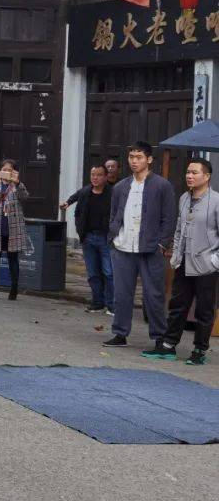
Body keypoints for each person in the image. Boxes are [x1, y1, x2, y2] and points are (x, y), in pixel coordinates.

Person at [104, 141, 176, 352]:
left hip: (150, 248)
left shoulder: (162, 185)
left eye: (139, 157)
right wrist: (113, 237)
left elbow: (169, 218)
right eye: (131, 157)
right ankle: (120, 333)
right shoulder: (120, 186)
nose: (134, 161)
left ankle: (158, 336)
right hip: (123, 247)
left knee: (154, 294)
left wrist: (162, 243)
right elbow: (114, 214)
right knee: (121, 293)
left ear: (149, 159)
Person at [152, 158, 218, 365]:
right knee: (178, 305)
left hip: (206, 265)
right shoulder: (184, 198)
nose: (189, 176)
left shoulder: (216, 201)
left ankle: (199, 350)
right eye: (188, 172)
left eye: (195, 172)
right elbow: (180, 228)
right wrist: (176, 255)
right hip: (184, 263)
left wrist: (214, 261)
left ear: (206, 177)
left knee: (204, 310)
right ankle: (169, 345)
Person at [61, 164, 114, 313]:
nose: (95, 178)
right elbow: (75, 197)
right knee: (92, 273)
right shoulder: (86, 192)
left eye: (98, 175)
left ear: (105, 177)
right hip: (88, 237)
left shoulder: (112, 193)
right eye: (92, 175)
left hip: (105, 238)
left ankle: (111, 304)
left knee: (109, 272)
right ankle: (97, 302)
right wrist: (67, 203)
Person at [0, 159, 29, 300]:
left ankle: (14, 289)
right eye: (4, 169)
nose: (6, 172)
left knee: (13, 258)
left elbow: (25, 196)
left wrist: (17, 182)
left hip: (13, 227)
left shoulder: (16, 186)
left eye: (10, 170)